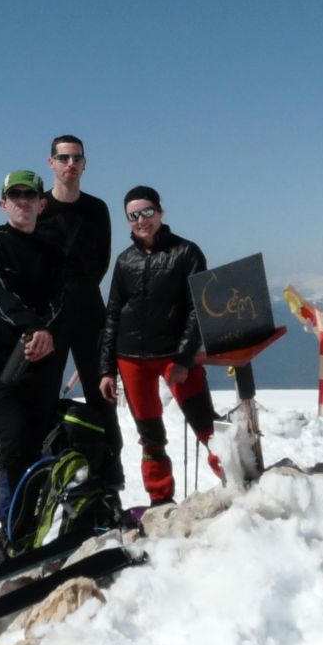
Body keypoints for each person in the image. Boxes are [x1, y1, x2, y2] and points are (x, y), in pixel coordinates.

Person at [99, 185, 223, 505]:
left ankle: (235, 482)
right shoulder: (125, 261)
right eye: (133, 215)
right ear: (128, 220)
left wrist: (183, 358)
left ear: (161, 213)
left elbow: (200, 309)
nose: (141, 220)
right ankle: (160, 501)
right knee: (151, 438)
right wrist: (106, 370)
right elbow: (112, 314)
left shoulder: (187, 252)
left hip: (175, 358)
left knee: (207, 426)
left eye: (147, 212)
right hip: (131, 359)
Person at [0, 168, 67, 552]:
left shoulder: (51, 249)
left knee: (37, 438)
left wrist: (47, 334)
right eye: (16, 196)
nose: (23, 203)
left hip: (42, 354)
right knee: (9, 432)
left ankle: (31, 525)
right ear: (3, 203)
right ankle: (10, 531)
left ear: (42, 204)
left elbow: (61, 300)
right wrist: (33, 328)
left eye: (30, 196)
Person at [35, 134, 124, 487]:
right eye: (63, 158)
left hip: (89, 311)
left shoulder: (97, 209)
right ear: (51, 162)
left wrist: (78, 291)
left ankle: (108, 474)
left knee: (102, 393)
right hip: (50, 315)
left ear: (85, 163)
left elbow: (101, 261)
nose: (70, 164)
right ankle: (48, 470)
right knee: (43, 395)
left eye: (76, 158)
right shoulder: (38, 206)